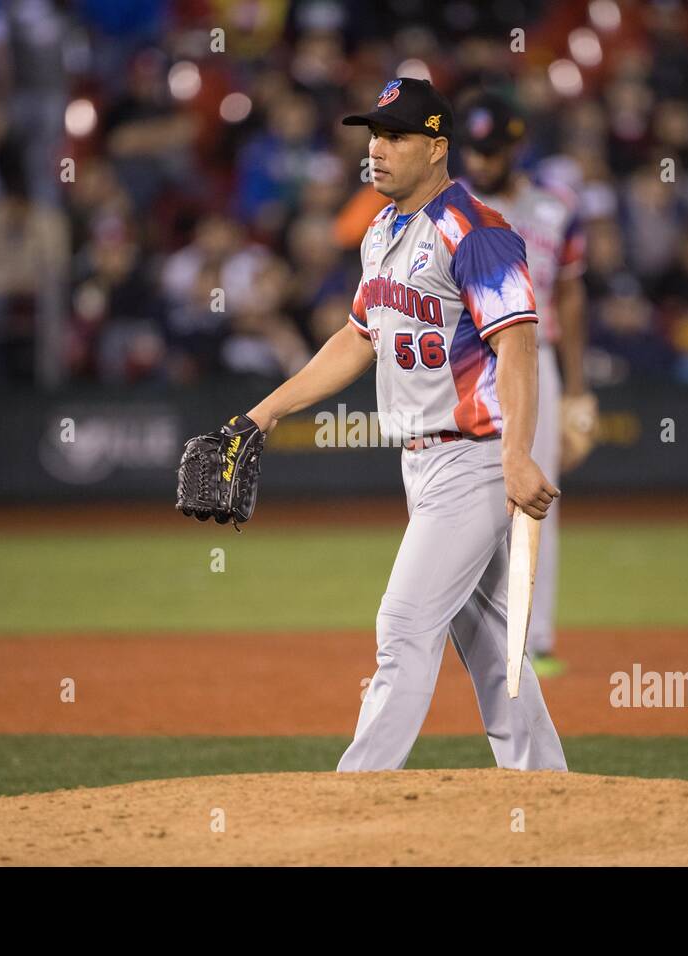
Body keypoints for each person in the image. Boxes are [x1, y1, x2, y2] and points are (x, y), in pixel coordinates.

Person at [239, 78, 568, 772]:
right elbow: (356, 339)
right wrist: (264, 413)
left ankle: (358, 790)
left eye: (395, 136)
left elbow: (518, 343)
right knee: (488, 640)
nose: (377, 150)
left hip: (473, 457)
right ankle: (548, 787)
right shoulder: (384, 230)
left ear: (438, 148)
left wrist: (517, 455)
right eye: (373, 135)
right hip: (420, 463)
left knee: (403, 625)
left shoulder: (478, 231)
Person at [457, 91, 596, 678]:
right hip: (469, 363)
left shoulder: (554, 208)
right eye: (475, 149)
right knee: (461, 499)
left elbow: (571, 292)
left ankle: (534, 639)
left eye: (492, 150)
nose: (482, 161)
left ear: (516, 147)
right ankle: (465, 633)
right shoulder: (452, 205)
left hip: (537, 362)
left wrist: (578, 390)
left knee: (536, 502)